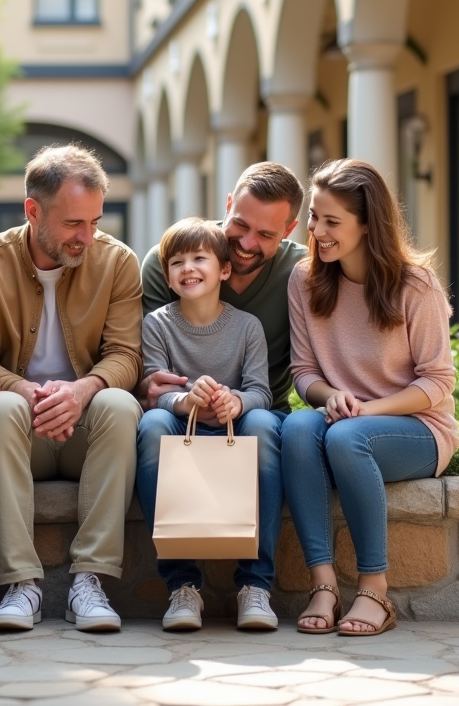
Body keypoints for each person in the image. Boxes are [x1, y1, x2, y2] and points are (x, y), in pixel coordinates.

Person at [0, 144, 143, 632]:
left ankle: (91, 580)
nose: (88, 236)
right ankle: (22, 585)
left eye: (95, 222)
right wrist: (31, 393)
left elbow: (126, 356)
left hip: (87, 433)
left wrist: (81, 392)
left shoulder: (118, 262)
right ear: (33, 211)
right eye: (73, 224)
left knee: (120, 405)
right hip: (22, 430)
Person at [282, 159, 458, 637]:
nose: (317, 231)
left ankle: (374, 589)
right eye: (315, 217)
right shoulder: (304, 279)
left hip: (418, 428)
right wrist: (331, 394)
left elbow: (438, 382)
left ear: (367, 224)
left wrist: (365, 410)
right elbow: (304, 372)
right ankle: (323, 584)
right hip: (346, 419)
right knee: (296, 427)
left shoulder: (415, 285)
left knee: (346, 439)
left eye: (331, 221)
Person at [139, 162, 305, 624]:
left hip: (253, 410)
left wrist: (238, 400)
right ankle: (182, 585)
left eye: (267, 235)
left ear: (289, 229)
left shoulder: (298, 271)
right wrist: (177, 397)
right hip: (180, 413)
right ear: (227, 205)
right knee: (152, 427)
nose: (249, 243)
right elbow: (151, 373)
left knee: (263, 426)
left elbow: (270, 383)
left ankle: (255, 585)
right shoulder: (170, 257)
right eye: (241, 225)